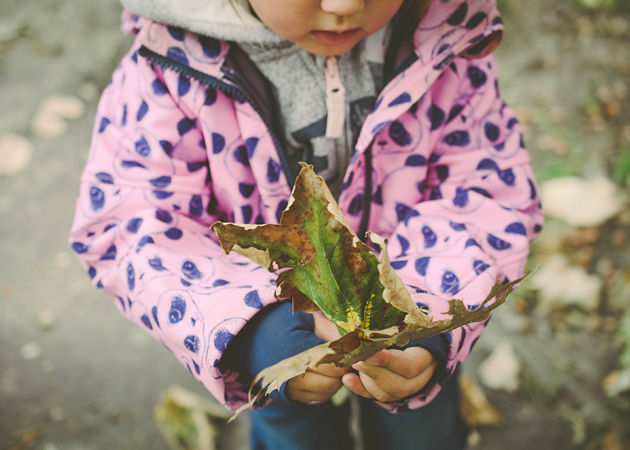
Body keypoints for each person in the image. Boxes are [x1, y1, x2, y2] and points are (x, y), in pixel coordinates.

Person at [69, 0, 543, 448]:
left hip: (416, 319)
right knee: (295, 440)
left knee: (421, 434)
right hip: (268, 345)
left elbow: (483, 188)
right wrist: (249, 329)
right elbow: (130, 224)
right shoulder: (168, 70)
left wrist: (430, 319)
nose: (343, 5)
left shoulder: (446, 42)